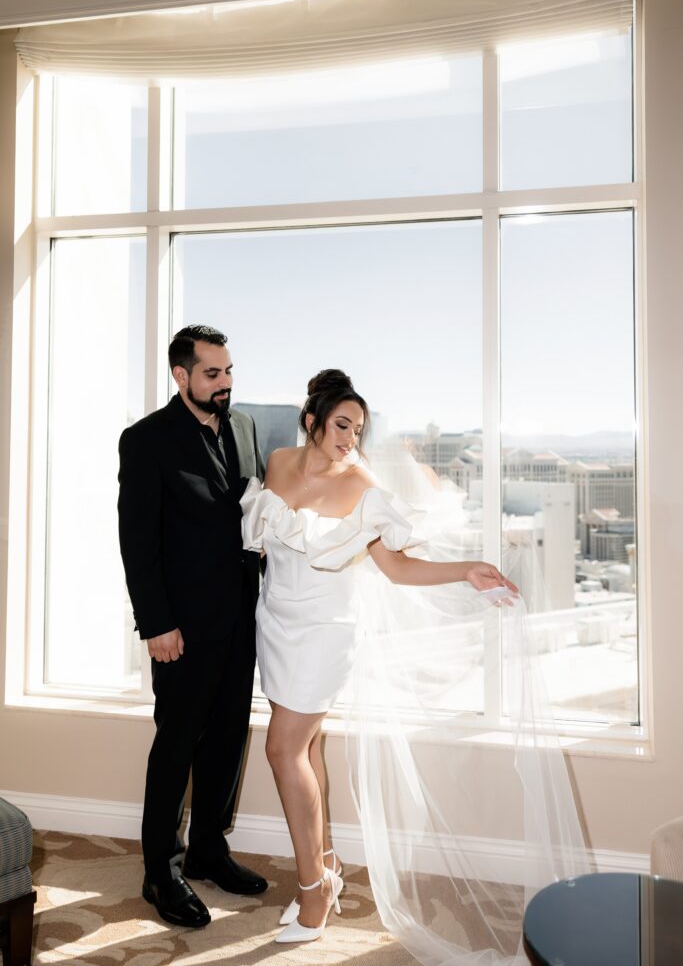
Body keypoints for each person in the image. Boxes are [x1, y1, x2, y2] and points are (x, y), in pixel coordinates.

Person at [239, 369, 520, 945]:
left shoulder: (363, 486)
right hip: (277, 620)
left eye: (359, 430)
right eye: (342, 425)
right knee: (307, 745)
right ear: (312, 420)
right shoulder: (279, 462)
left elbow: (396, 567)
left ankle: (313, 889)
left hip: (325, 631)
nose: (350, 439)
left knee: (281, 746)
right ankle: (326, 865)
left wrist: (464, 570)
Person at [118, 325, 267, 929]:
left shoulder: (246, 427)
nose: (225, 383)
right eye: (213, 374)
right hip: (180, 626)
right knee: (176, 744)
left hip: (241, 616)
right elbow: (138, 542)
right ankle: (161, 871)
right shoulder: (146, 440)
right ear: (182, 376)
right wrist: (156, 623)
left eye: (229, 371)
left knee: (229, 736)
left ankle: (208, 848)